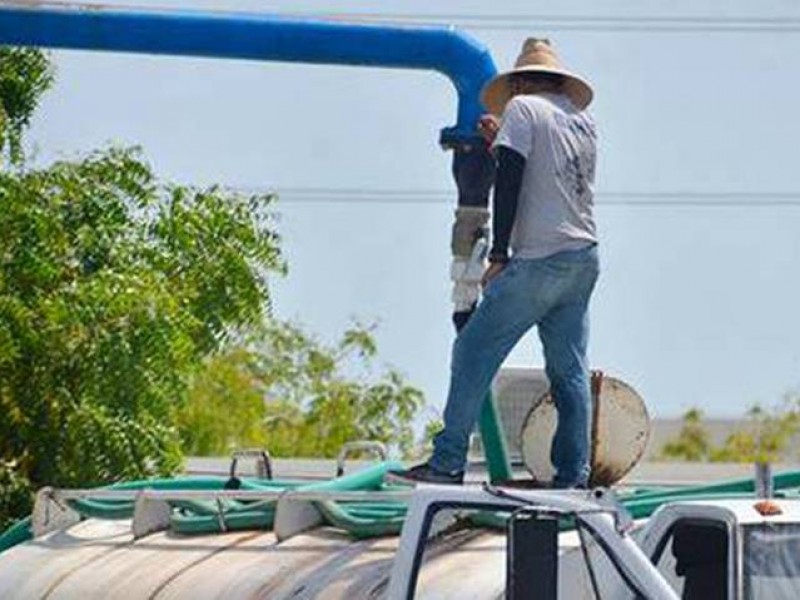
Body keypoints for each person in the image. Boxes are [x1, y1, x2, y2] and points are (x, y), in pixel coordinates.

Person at [390, 38, 600, 488]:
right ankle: (573, 475)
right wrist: (499, 142)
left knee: (471, 351)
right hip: (583, 258)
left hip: (538, 259)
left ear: (520, 82)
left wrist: (500, 253)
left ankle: (447, 463)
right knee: (568, 370)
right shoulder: (582, 121)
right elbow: (551, 176)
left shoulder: (522, 110)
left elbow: (510, 180)